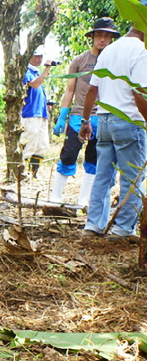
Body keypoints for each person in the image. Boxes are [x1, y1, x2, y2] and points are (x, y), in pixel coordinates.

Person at [79, 21, 147, 241]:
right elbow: (139, 93)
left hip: (105, 120)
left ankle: (93, 225)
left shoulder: (108, 51)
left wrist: (86, 120)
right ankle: (123, 229)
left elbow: (92, 89)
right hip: (129, 120)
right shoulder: (140, 51)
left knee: (103, 176)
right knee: (132, 178)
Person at [50, 18, 119, 207]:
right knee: (69, 154)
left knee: (94, 159)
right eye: (99, 35)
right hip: (78, 117)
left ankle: (84, 201)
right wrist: (62, 116)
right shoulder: (79, 61)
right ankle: (55, 198)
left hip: (104, 117)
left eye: (107, 36)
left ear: (112, 38)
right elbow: (70, 90)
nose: (102, 39)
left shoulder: (115, 63)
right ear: (92, 37)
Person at [21, 45, 55, 179]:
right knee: (29, 143)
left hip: (41, 114)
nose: (39, 59)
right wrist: (47, 69)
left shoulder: (36, 72)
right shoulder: (26, 71)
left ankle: (34, 173)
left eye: (41, 56)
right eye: (36, 56)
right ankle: (21, 172)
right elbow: (34, 84)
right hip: (30, 113)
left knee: (42, 145)